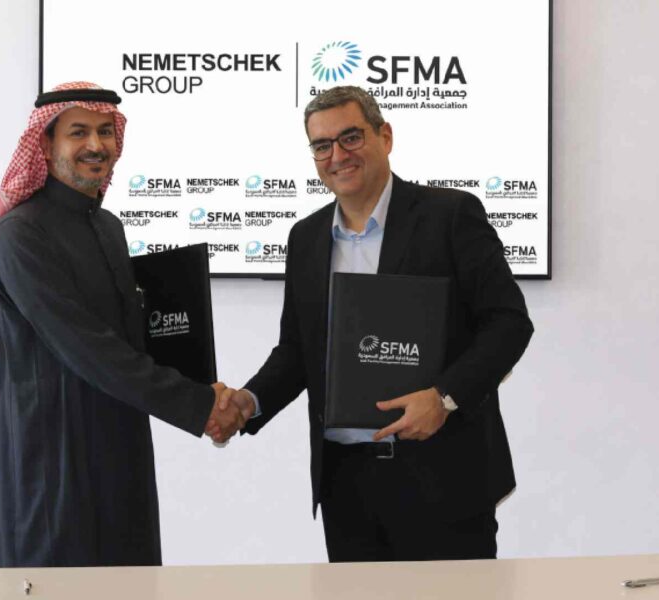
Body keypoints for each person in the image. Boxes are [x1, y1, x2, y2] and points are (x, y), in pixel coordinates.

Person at [217, 86, 534, 562]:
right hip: (348, 486)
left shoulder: (450, 216)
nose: (337, 156)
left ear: (384, 136)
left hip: (444, 477)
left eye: (350, 137)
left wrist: (444, 397)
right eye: (321, 146)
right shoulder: (305, 238)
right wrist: (248, 401)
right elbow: (298, 351)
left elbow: (509, 323)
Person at [0, 82, 244, 567]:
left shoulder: (109, 226)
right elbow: (88, 347)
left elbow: (132, 342)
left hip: (121, 446)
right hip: (53, 461)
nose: (96, 146)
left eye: (104, 131)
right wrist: (201, 406)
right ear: (46, 144)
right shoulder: (19, 236)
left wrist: (201, 387)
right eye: (78, 133)